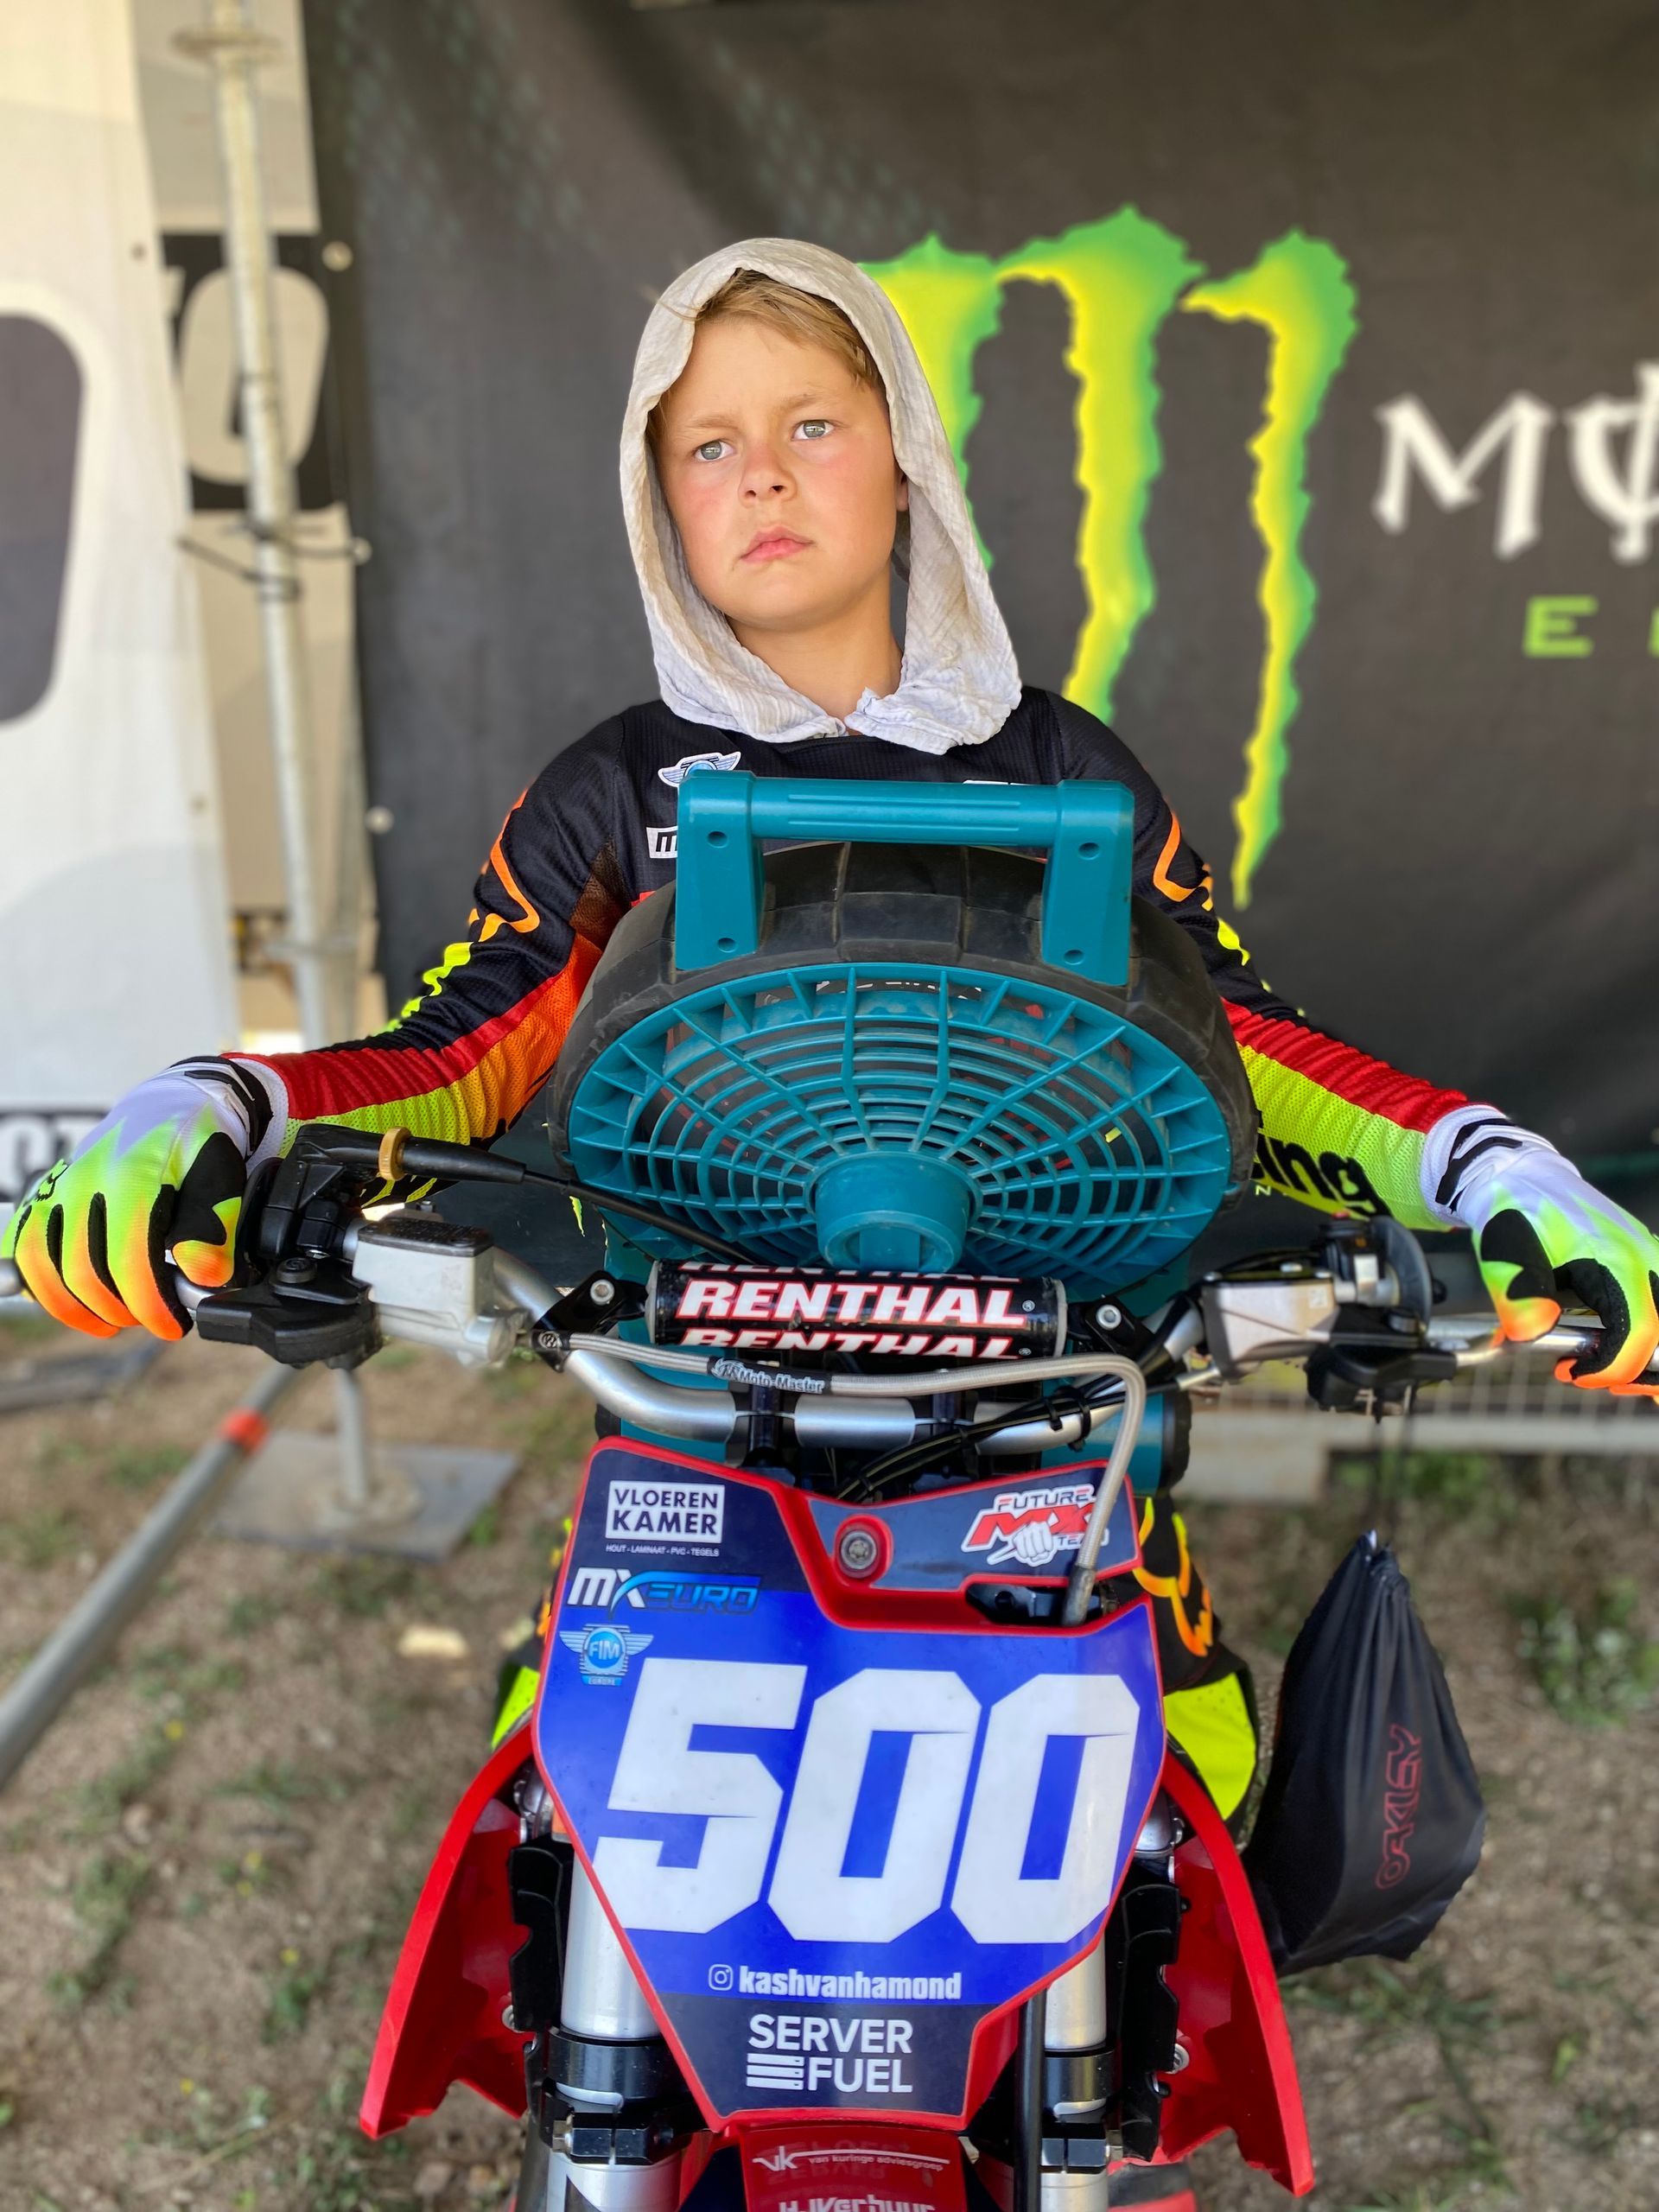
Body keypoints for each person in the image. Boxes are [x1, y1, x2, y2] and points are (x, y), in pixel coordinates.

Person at [8, 240, 1658, 2212]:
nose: (764, 475)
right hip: (699, 1449)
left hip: (1055, 1455)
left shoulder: (1064, 769)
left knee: (1185, 1818)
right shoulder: (616, 792)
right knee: (573, 1821)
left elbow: (1245, 1054)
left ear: (905, 461)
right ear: (658, 496)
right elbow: (458, 1048)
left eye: (811, 423)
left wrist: (1490, 1170)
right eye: (708, 443)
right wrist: (220, 1105)